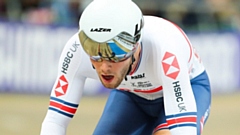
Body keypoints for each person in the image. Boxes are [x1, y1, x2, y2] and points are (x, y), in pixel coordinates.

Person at [41, 0, 211, 134]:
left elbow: (183, 128)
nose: (105, 66)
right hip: (131, 94)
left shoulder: (165, 49)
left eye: (116, 52)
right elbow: (55, 120)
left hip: (188, 87)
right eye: (94, 51)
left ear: (136, 44)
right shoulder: (76, 50)